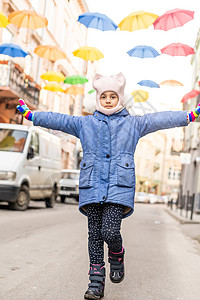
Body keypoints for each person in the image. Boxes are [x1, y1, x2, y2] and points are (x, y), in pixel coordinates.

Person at [17, 72, 200, 300]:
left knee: (110, 231)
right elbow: (59, 120)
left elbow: (159, 119)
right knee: (94, 235)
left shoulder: (133, 124)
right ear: (98, 99)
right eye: (104, 96)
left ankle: (116, 253)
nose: (108, 100)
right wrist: (32, 115)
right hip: (91, 186)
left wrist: (188, 116)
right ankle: (95, 284)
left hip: (118, 188)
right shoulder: (85, 123)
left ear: (120, 98)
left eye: (113, 96)